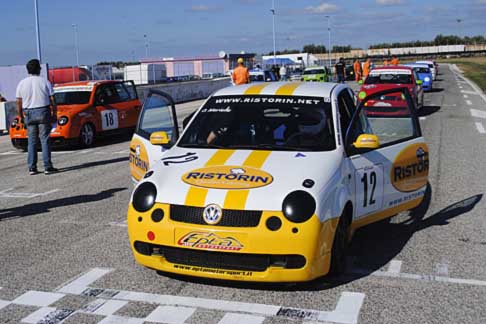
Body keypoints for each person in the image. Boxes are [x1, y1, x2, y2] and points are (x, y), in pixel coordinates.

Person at [16, 59, 58, 175]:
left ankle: (32, 167)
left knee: (32, 141)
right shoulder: (45, 82)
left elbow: (19, 102)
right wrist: (55, 113)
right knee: (45, 139)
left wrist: (21, 116)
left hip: (28, 112)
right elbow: (53, 100)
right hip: (43, 111)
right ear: (39, 69)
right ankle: (47, 166)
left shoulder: (22, 83)